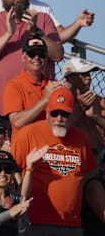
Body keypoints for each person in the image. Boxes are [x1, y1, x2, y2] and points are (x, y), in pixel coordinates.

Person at [10, 88, 96, 233]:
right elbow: (11, 170)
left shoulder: (80, 137)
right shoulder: (28, 133)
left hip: (72, 224)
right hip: (35, 221)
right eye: (55, 113)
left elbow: (88, 176)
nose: (59, 119)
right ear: (47, 111)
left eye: (65, 114)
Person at [3, 37, 62, 136]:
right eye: (32, 54)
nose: (37, 58)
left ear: (46, 58)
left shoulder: (54, 84)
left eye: (41, 54)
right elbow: (17, 122)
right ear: (23, 57)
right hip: (26, 146)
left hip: (51, 145)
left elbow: (65, 121)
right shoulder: (14, 85)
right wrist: (45, 100)